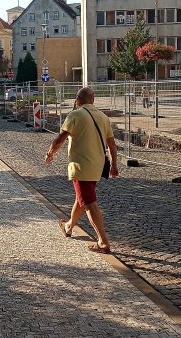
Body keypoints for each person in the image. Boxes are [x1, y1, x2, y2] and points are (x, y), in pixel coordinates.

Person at [45, 87, 118, 254]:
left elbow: (60, 139)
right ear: (92, 100)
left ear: (77, 100)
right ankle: (69, 226)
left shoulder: (75, 115)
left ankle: (103, 242)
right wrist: (114, 164)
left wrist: (50, 153)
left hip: (80, 166)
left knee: (89, 204)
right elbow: (112, 144)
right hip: (97, 167)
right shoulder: (103, 117)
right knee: (82, 198)